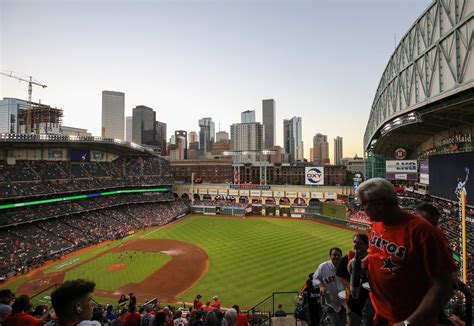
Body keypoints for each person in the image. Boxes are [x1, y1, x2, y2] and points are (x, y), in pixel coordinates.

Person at [356, 178, 456, 325]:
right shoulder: (378, 221)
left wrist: (409, 323)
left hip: (407, 318)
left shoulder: (424, 233)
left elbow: (444, 286)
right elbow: (377, 251)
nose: (362, 208)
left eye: (364, 204)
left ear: (379, 204)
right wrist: (365, 261)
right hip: (375, 307)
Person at [336, 234, 370, 326]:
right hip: (353, 302)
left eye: (359, 243)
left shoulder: (372, 259)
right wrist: (350, 286)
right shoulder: (347, 258)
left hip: (370, 301)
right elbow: (339, 275)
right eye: (354, 242)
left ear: (367, 246)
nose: (355, 245)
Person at [313, 247, 345, 326]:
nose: (336, 257)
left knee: (341, 322)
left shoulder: (345, 266)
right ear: (330, 256)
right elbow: (314, 279)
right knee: (336, 323)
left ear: (341, 256)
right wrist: (320, 285)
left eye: (338, 255)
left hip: (342, 301)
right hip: (327, 299)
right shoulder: (323, 266)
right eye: (334, 255)